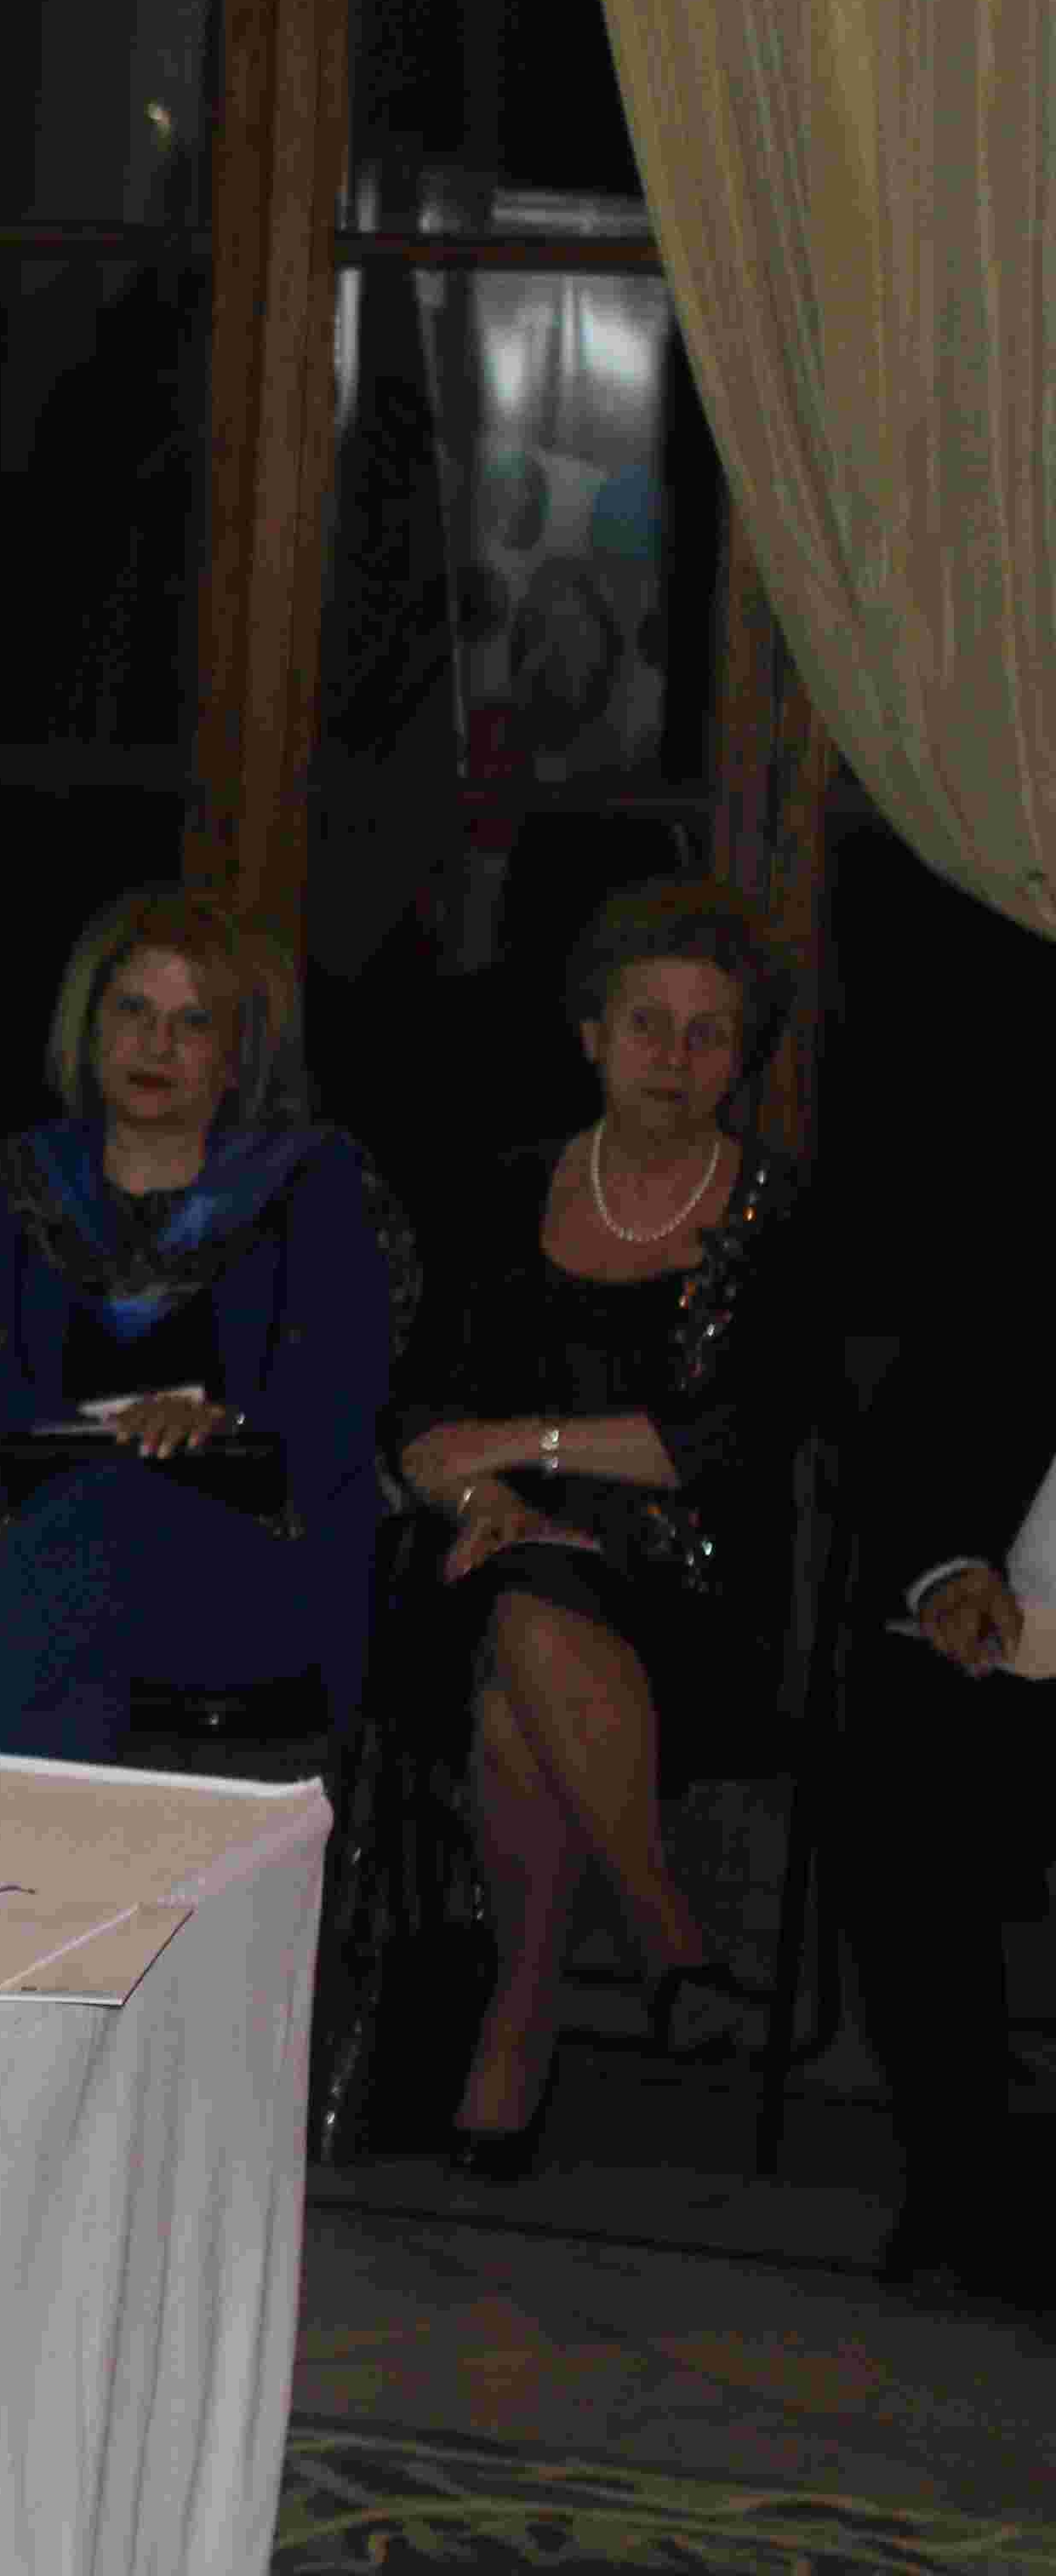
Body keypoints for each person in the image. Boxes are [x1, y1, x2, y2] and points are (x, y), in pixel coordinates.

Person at [381, 878, 829, 2179]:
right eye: (647, 1024)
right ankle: (669, 1944)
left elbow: (733, 1441)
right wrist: (485, 1494)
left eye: (707, 1033)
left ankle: (519, 2027)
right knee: (524, 1608)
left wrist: (520, 1447)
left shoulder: (780, 1214)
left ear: (741, 1058)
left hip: (701, 1601)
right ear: (591, 1034)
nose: (673, 1058)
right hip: (493, 1559)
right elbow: (420, 1411)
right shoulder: (501, 1190)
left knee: (520, 1671)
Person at [0, 886, 406, 1764]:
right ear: (89, 1028)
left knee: (109, 1517)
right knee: (77, 1629)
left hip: (251, 1571)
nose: (155, 1044)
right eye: (133, 1011)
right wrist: (98, 1431)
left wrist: (225, 1418)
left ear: (236, 1058)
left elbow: (343, 1401)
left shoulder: (311, 1185)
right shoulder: (14, 1184)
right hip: (51, 1566)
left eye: (192, 1023)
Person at [831, 1326, 1056, 2314]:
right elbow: (919, 1414)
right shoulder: (1010, 1282)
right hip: (1012, 1629)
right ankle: (965, 2177)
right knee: (913, 1771)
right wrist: (950, 1572)